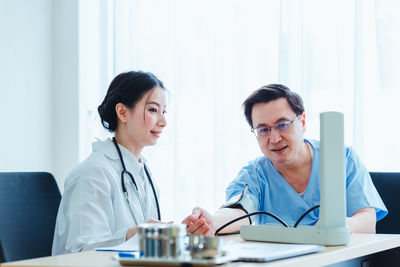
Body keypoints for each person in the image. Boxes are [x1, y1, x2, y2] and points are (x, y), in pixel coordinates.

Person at [183, 84, 387, 236]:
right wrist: (210, 223)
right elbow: (239, 210)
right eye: (263, 130)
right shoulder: (255, 173)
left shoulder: (342, 159)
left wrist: (341, 226)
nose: (274, 138)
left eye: (282, 125)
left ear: (303, 121)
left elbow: (368, 222)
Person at [52, 71, 168, 255]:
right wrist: (133, 236)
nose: (163, 121)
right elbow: (82, 252)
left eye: (164, 111)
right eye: (153, 110)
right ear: (122, 112)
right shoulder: (92, 174)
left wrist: (182, 234)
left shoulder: (143, 172)